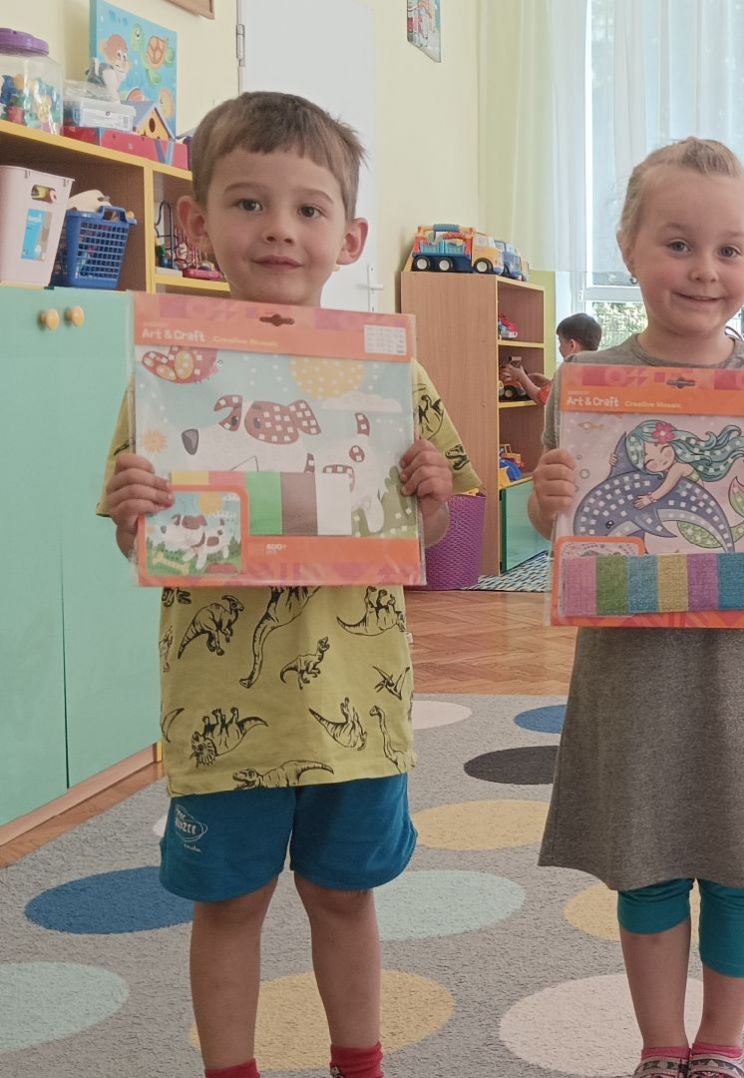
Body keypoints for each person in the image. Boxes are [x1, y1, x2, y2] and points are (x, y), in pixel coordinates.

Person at [99, 91, 477, 1078]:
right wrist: (134, 507)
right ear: (195, 223)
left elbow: (431, 535)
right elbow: (146, 541)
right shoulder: (170, 372)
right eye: (249, 203)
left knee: (346, 895)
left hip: (357, 705)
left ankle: (360, 1062)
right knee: (228, 904)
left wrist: (431, 495)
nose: (279, 229)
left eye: (309, 208)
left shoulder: (392, 375)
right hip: (223, 712)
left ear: (348, 237)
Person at [526, 138, 744, 1078]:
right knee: (647, 857)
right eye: (678, 244)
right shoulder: (586, 385)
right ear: (628, 248)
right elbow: (559, 519)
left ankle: (722, 1045)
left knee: (739, 860)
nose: (705, 270)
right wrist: (545, 501)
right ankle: (663, 1046)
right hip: (631, 663)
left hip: (743, 665)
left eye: (730, 249)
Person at [503, 312, 604, 404]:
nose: (559, 348)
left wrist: (521, 377)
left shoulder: (570, 371)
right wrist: (546, 382)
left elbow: (541, 397)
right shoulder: (597, 369)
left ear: (572, 345)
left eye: (561, 343)